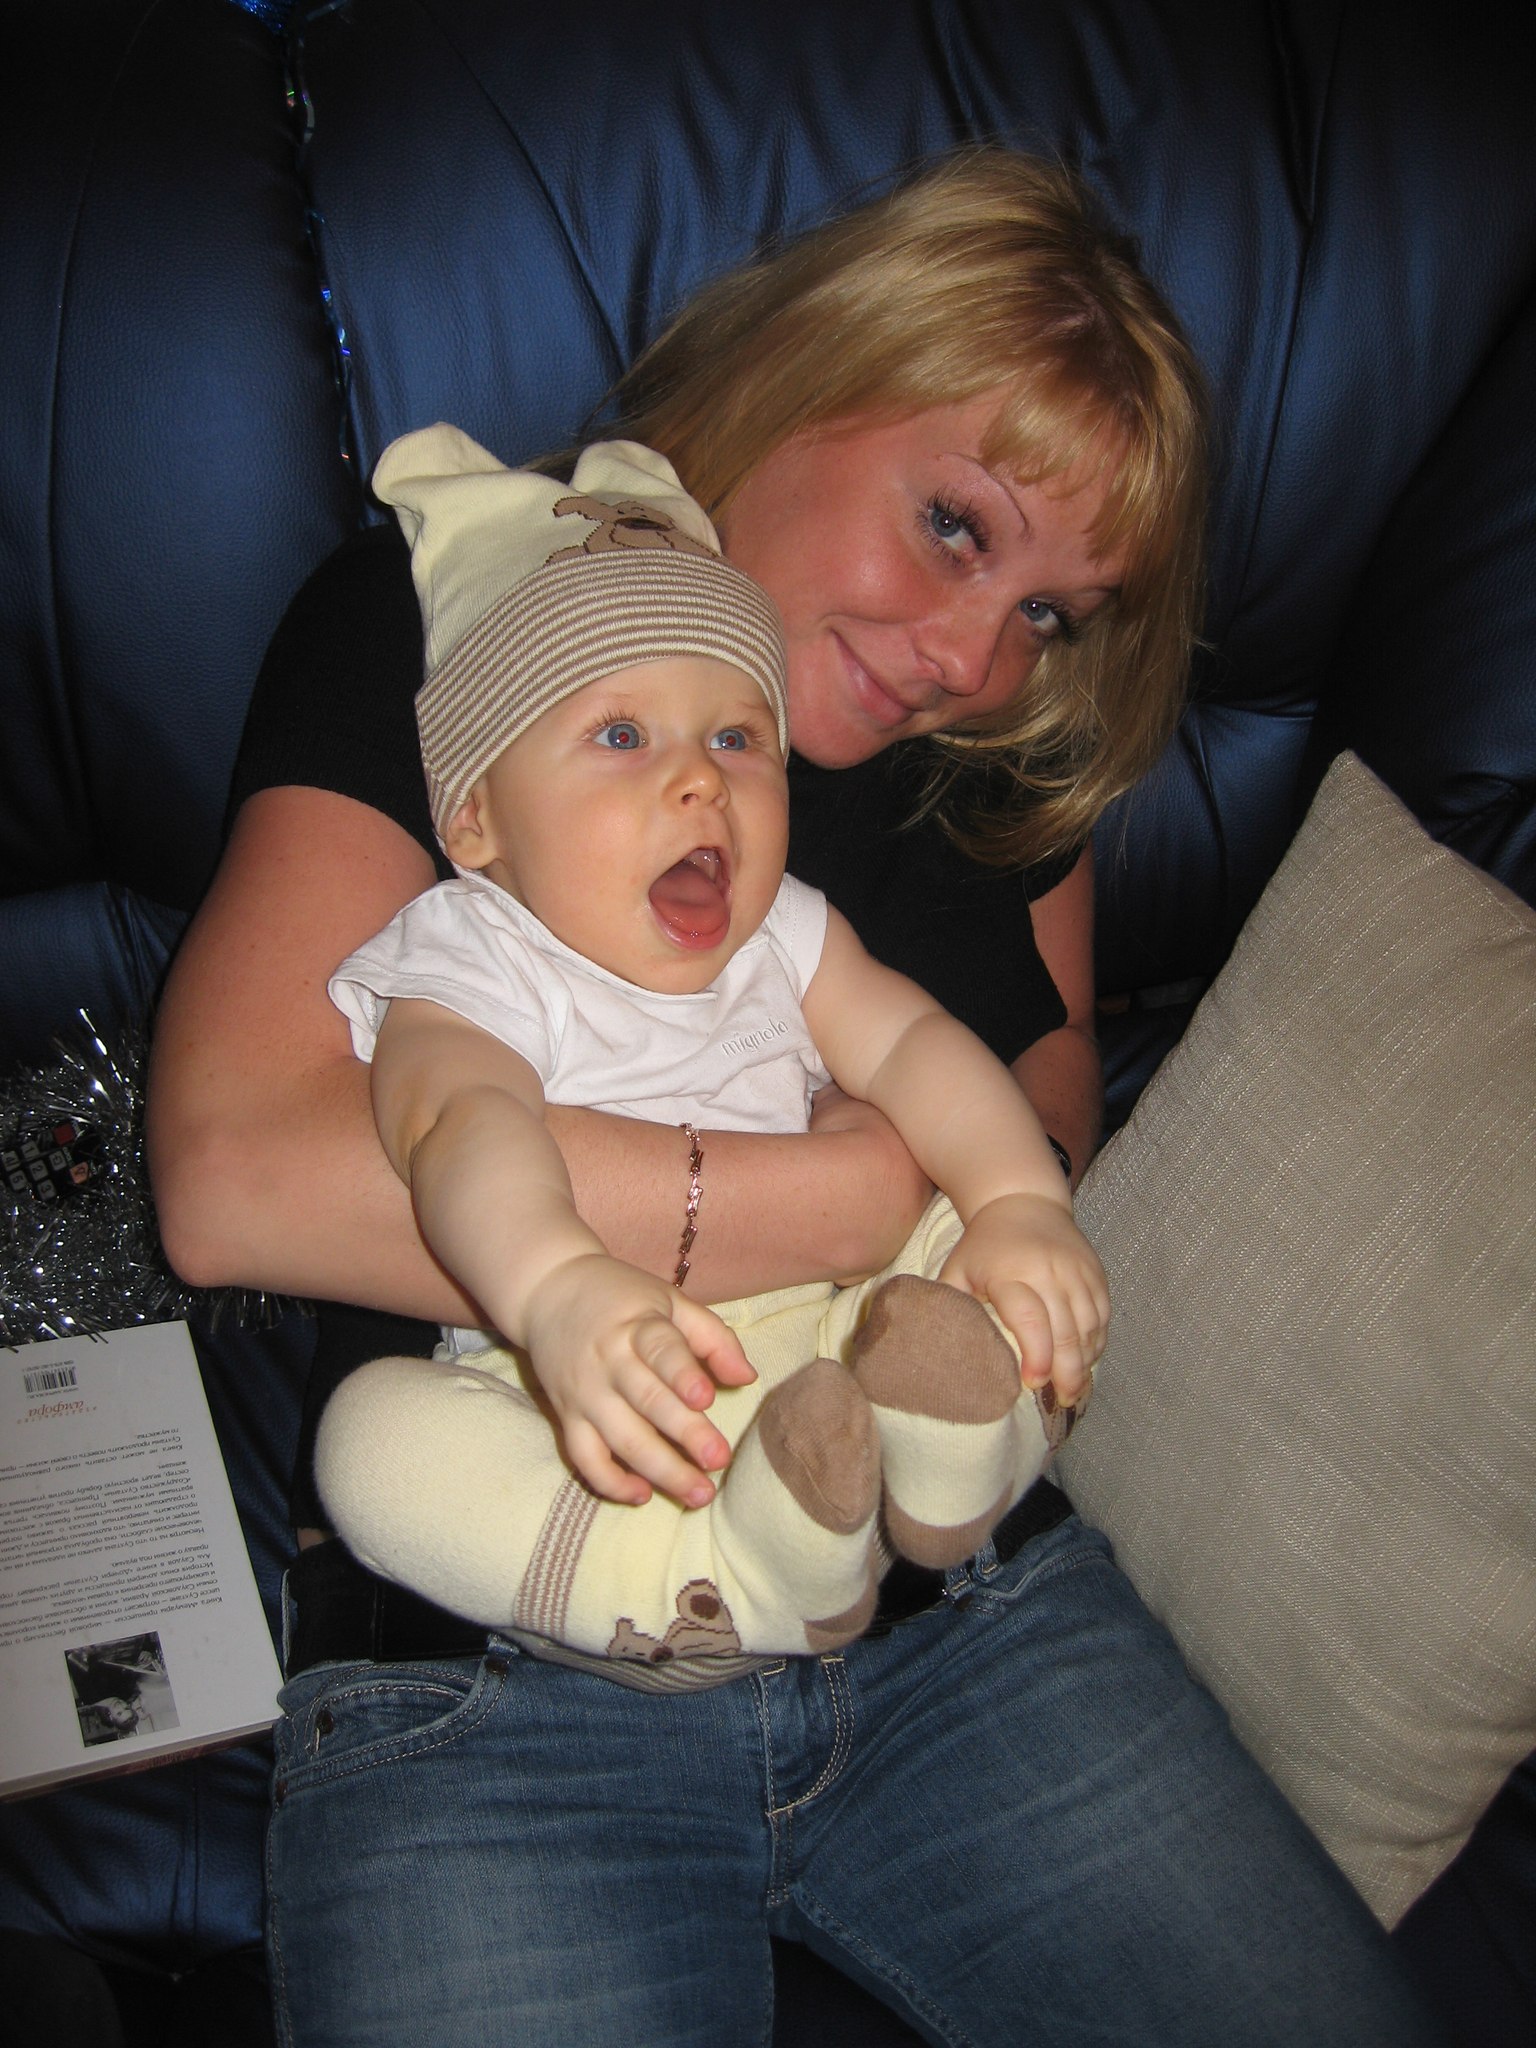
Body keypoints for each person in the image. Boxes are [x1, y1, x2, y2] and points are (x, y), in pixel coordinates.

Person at [148, 151, 1440, 2045]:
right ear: (810, 372)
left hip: (945, 1590)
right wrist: (832, 1201)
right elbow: (235, 1176)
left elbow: (1039, 1118)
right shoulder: (463, 623)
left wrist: (968, 1199)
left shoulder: (995, 755)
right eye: (955, 525)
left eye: (1054, 613)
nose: (975, 657)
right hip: (515, 1627)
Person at [315, 426, 1104, 1671]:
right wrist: (554, 1286)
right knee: (372, 1444)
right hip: (595, 1393)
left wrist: (1018, 1200)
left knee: (971, 1221)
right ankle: (699, 1579)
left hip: (839, 1347)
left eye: (737, 739)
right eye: (622, 737)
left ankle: (957, 1448)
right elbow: (461, 1124)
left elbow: (915, 1044)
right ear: (475, 819)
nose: (702, 785)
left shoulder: (782, 930)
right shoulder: (472, 957)